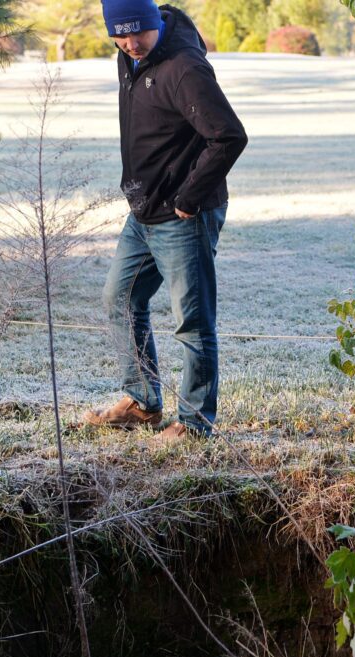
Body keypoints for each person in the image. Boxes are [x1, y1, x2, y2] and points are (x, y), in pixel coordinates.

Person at [82, 0, 247, 442]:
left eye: (139, 33)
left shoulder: (183, 68)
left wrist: (189, 199)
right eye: (121, 34)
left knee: (191, 322)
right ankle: (142, 403)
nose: (131, 43)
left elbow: (229, 136)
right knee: (119, 299)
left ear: (156, 23)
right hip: (144, 211)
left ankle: (195, 424)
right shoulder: (130, 56)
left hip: (183, 215)